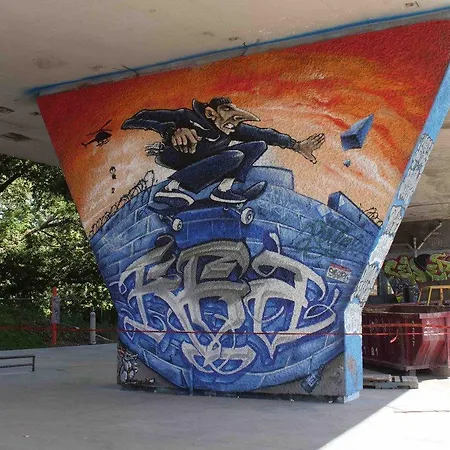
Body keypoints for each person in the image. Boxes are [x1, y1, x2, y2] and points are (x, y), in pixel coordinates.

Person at [122, 97, 325, 206]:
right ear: (211, 114)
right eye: (228, 117)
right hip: (176, 156)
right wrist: (171, 131)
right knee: (234, 156)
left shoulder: (231, 130)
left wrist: (297, 145)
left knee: (258, 145)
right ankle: (171, 189)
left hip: (203, 162)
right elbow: (140, 117)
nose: (233, 126)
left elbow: (265, 135)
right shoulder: (187, 117)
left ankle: (223, 191)